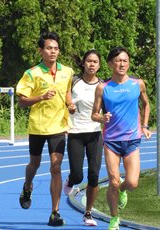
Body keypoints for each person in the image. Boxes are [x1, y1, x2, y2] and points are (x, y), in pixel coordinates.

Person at [16, 31, 76, 227]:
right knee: (34, 165)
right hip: (38, 126)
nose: (53, 51)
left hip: (58, 126)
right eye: (49, 48)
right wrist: (40, 97)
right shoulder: (32, 73)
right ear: (41, 51)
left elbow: (67, 92)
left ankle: (55, 212)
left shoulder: (67, 71)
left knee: (56, 167)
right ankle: (27, 186)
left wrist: (70, 104)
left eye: (56, 48)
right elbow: (22, 102)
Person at [91, 47, 152, 230]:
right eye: (118, 61)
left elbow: (146, 104)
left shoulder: (137, 84)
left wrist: (145, 126)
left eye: (125, 60)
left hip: (132, 139)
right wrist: (102, 118)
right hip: (111, 141)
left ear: (129, 63)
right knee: (113, 182)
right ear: (110, 64)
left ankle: (123, 191)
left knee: (132, 182)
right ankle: (114, 218)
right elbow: (94, 114)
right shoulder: (103, 87)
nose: (122, 64)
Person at [63, 50, 103, 226]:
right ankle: (71, 180)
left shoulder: (103, 85)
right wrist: (69, 105)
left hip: (95, 133)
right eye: (89, 61)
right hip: (76, 133)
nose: (92, 64)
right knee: (78, 176)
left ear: (99, 65)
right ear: (84, 63)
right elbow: (64, 95)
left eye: (95, 62)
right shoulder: (74, 81)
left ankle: (88, 213)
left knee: (94, 175)